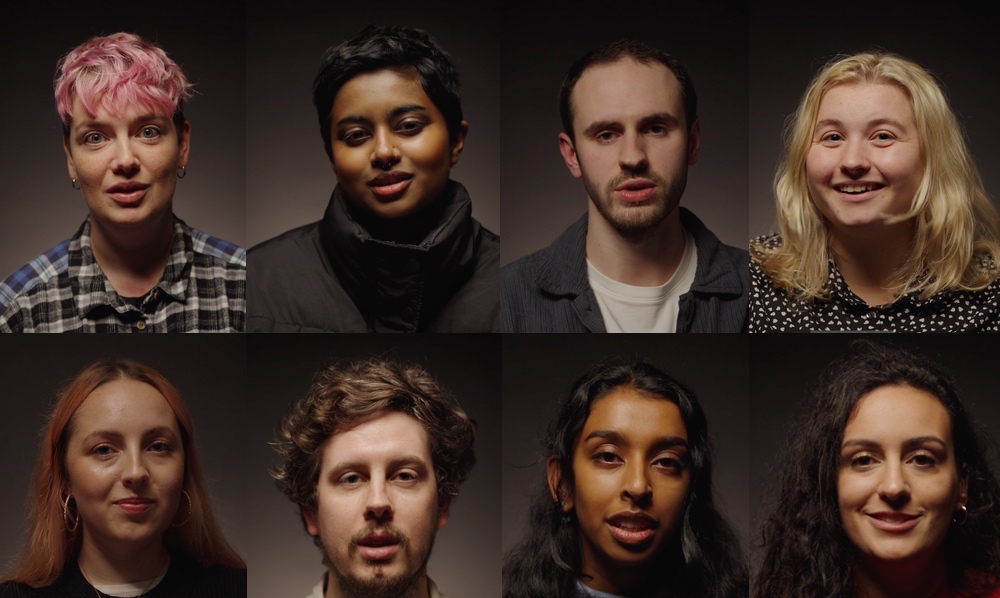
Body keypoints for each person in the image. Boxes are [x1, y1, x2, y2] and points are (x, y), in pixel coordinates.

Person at [751, 341, 1000, 598]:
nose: (894, 486)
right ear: (828, 483)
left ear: (961, 488)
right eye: (864, 459)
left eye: (922, 459)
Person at [247, 358, 500, 598]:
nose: (378, 503)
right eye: (351, 478)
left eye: (404, 475)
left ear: (442, 505)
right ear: (311, 511)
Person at [248, 26, 499, 333]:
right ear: (331, 155)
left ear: (456, 140)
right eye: (356, 135)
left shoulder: (509, 284)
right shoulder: (254, 282)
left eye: (408, 126)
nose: (383, 152)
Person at [0, 360, 246, 598]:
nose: (135, 472)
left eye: (158, 446)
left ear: (184, 469)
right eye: (104, 449)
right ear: (65, 479)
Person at [502, 360, 746, 598]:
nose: (638, 486)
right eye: (608, 456)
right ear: (563, 483)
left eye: (667, 462)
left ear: (691, 489)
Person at [0, 33, 246, 333]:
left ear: (182, 145)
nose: (125, 160)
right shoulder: (16, 309)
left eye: (148, 132)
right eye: (95, 137)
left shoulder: (245, 284)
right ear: (70, 158)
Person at [500, 39, 748, 333]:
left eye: (656, 128)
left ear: (692, 142)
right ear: (571, 155)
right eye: (606, 135)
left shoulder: (755, 288)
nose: (632, 158)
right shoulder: (507, 300)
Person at [750, 51, 1000, 332]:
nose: (853, 161)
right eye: (833, 137)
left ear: (932, 156)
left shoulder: (992, 294)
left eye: (883, 136)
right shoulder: (752, 278)